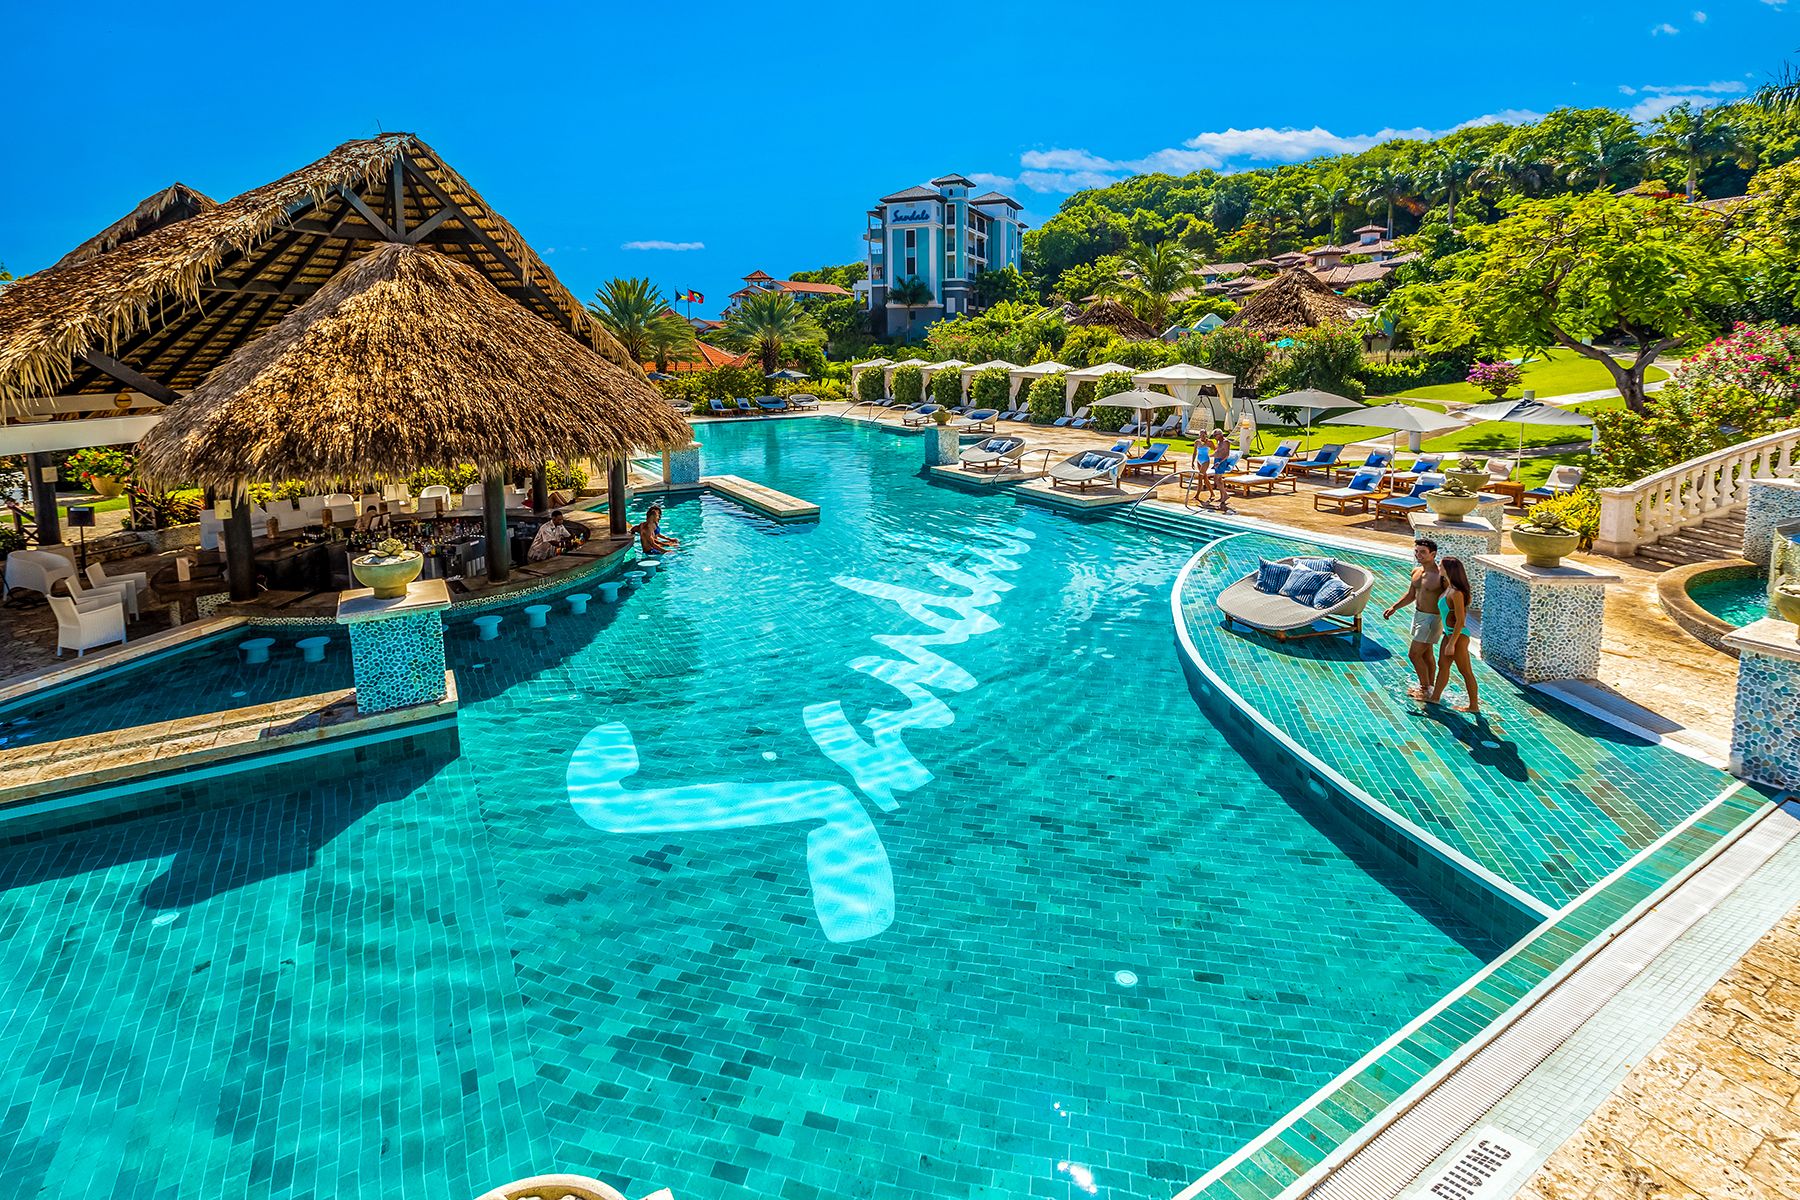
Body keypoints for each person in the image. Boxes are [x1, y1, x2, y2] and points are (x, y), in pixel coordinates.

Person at [1381, 537, 1445, 700]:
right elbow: (1411, 595)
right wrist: (1394, 607)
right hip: (1418, 616)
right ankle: (1430, 687)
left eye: (1423, 552)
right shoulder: (1416, 572)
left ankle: (1424, 689)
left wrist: (1450, 625)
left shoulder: (1441, 576)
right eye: (1416, 551)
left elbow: (1450, 599)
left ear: (1433, 554)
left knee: (1414, 654)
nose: (1419, 555)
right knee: (1427, 654)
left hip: (1432, 619)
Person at [1428, 557, 1481, 714]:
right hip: (1448, 634)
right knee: (1443, 666)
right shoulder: (1448, 588)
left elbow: (1460, 620)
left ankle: (1474, 706)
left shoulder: (1457, 593)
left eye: (1441, 565)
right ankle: (1435, 697)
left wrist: (1452, 643)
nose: (1438, 566)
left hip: (1457, 636)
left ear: (1448, 569)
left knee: (1465, 671)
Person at [1209, 427, 1235, 513]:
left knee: (1216, 479)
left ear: (1220, 434)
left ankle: (1226, 495)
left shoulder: (1225, 442)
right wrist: (1210, 456)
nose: (1214, 437)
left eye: (1215, 435)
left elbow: (1227, 454)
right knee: (1219, 479)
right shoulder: (1219, 442)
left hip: (1221, 462)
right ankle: (1222, 496)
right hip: (1217, 461)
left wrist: (1219, 462)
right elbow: (1217, 452)